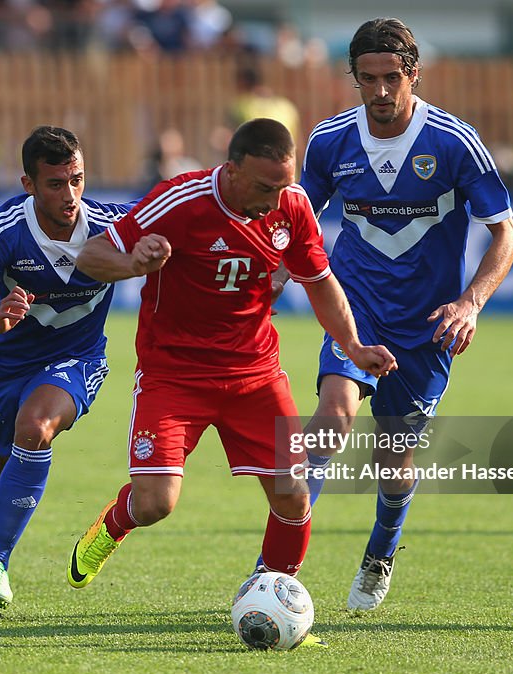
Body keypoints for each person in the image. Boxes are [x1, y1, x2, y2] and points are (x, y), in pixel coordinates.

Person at [66, 118, 398, 646]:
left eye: (285, 183)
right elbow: (91, 256)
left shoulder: (290, 206)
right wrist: (134, 262)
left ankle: (277, 601)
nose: (278, 196)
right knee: (156, 503)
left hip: (254, 374)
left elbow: (321, 283)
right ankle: (112, 525)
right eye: (266, 186)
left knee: (292, 494)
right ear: (233, 169)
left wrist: (354, 347)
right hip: (174, 374)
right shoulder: (179, 200)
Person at [289, 18, 513, 611]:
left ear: (413, 73)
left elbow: (506, 235)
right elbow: (295, 222)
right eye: (368, 79)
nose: (382, 91)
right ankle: (281, 568)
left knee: (394, 462)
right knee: (332, 417)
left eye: (393, 77)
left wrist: (471, 303)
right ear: (354, 79)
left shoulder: (453, 141)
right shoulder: (329, 142)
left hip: (427, 323)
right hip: (356, 307)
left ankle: (381, 552)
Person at [0, 125, 134, 612]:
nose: (70, 194)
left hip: (77, 359)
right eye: (55, 184)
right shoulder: (4, 231)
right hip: (2, 365)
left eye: (77, 179)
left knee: (36, 427)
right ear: (28, 184)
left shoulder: (113, 224)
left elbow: (181, 227)